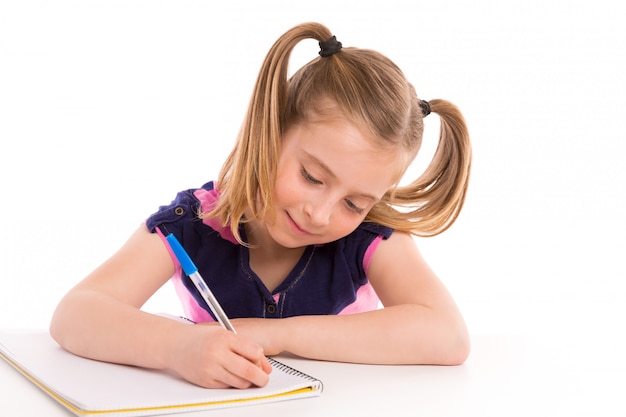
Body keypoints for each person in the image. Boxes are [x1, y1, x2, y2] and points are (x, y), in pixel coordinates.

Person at [50, 22, 472, 390]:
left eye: (355, 202)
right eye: (311, 177)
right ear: (270, 130)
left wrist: (275, 336)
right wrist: (178, 347)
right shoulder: (192, 225)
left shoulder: (368, 238)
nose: (321, 214)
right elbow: (75, 314)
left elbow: (448, 337)